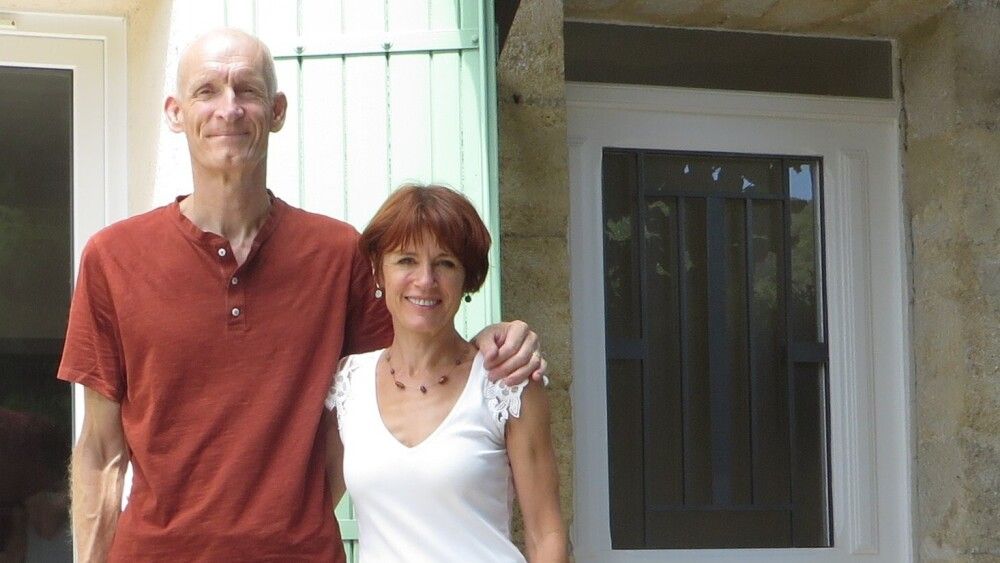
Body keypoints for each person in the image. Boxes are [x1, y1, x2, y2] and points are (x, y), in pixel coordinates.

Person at [58, 29, 545, 563]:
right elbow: (101, 451)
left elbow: (415, 359)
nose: (229, 108)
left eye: (247, 89)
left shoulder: (338, 255)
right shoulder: (113, 257)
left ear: (277, 111)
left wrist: (493, 342)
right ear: (175, 113)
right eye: (206, 91)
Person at [325, 185, 566, 562]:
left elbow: (546, 535)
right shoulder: (348, 385)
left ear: (468, 278)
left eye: (445, 263)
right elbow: (307, 514)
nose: (425, 280)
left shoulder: (506, 382)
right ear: (378, 271)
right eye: (406, 260)